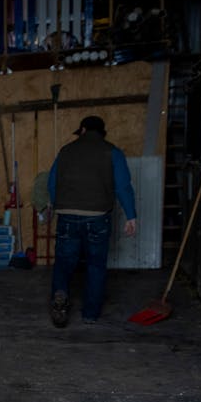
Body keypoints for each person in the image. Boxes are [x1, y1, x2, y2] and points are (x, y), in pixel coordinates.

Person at [46, 115, 138, 327]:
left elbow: (52, 183)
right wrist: (131, 215)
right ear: (101, 132)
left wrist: (56, 203)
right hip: (98, 216)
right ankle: (90, 314)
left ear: (83, 130)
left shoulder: (65, 151)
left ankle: (60, 297)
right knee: (96, 266)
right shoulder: (112, 152)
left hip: (67, 215)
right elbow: (123, 186)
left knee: (64, 263)